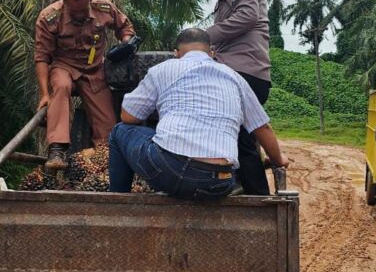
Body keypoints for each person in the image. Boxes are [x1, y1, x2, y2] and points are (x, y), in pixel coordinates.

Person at [108, 28, 288, 200]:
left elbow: (128, 117)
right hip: (221, 182)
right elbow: (262, 127)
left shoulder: (163, 69)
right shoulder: (234, 77)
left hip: (173, 172)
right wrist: (279, 159)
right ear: (211, 52)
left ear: (176, 53)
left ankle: (116, 203)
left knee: (119, 131)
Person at [34, 0, 136, 170]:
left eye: (83, 10)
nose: (80, 15)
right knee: (61, 86)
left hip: (94, 69)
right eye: (74, 11)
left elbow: (125, 27)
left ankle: (104, 161)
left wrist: (126, 44)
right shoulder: (49, 17)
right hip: (64, 66)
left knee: (107, 124)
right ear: (64, 1)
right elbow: (41, 57)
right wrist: (44, 94)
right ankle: (57, 149)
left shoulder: (103, 7)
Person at [199, 0, 273, 195]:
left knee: (237, 137)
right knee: (240, 135)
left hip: (243, 72)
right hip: (246, 70)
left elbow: (248, 15)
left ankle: (258, 197)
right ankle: (246, 186)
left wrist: (203, 38)